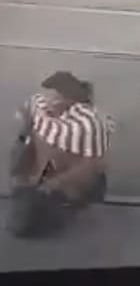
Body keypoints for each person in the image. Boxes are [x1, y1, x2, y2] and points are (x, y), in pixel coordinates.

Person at [8, 72, 114, 237]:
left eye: (56, 97)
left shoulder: (88, 124)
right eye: (47, 95)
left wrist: (55, 183)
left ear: (69, 100)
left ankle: (65, 209)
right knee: (22, 220)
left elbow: (93, 164)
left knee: (34, 223)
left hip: (68, 185)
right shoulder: (39, 105)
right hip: (42, 175)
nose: (48, 101)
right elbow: (26, 121)